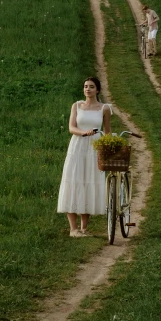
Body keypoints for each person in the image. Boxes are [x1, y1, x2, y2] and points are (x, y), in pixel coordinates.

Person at [57, 76, 112, 237]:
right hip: (77, 146)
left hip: (94, 147)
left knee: (90, 180)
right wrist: (83, 133)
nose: (87, 89)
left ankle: (84, 228)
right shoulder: (76, 106)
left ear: (98, 90)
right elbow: (71, 127)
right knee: (74, 180)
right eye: (86, 86)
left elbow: (107, 131)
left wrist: (108, 147)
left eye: (91, 87)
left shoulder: (104, 108)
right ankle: (73, 229)